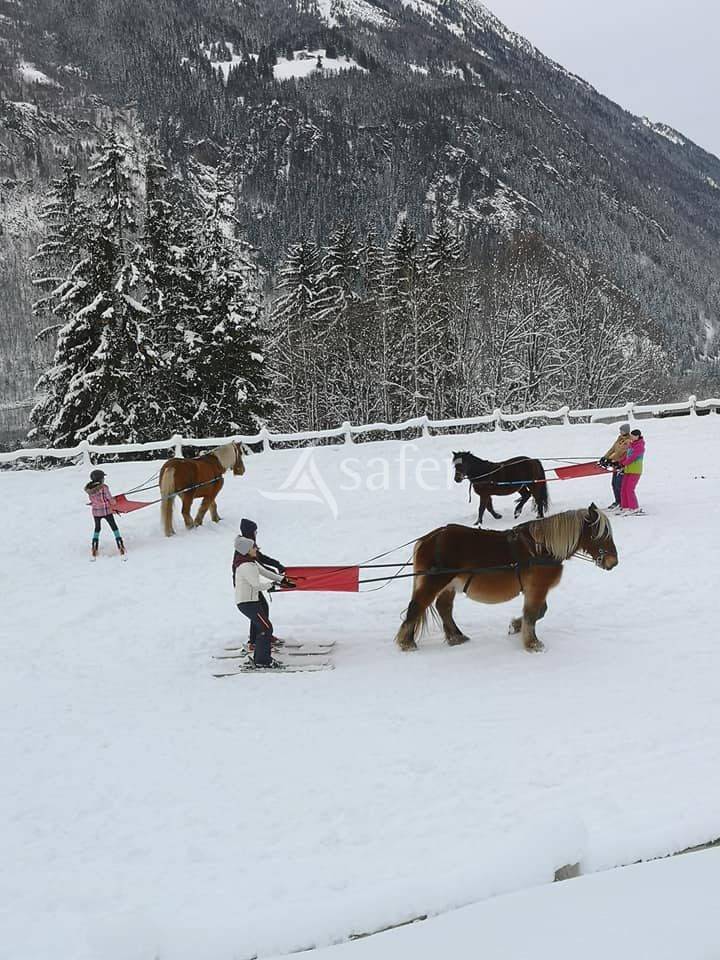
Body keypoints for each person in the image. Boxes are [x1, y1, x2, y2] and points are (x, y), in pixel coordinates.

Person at [234, 535, 294, 668]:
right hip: (247, 603)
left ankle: (260, 658)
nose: (256, 548)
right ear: (246, 550)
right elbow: (256, 585)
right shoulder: (245, 566)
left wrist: (282, 580)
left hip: (252, 601)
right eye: (253, 547)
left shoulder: (251, 562)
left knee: (264, 627)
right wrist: (272, 585)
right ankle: (262, 661)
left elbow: (266, 572)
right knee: (266, 628)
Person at [232, 518, 287, 651]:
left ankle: (261, 637)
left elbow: (260, 560)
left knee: (262, 609)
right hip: (247, 585)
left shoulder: (247, 543)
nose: (256, 533)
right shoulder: (245, 547)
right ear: (250, 532)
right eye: (255, 531)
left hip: (251, 583)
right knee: (257, 612)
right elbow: (258, 564)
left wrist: (278, 569)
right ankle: (256, 640)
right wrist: (274, 577)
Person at [85, 469, 126, 560]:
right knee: (114, 527)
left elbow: (94, 500)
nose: (104, 479)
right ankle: (120, 545)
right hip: (106, 511)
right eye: (103, 478)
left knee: (97, 528)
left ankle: (94, 547)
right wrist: (114, 502)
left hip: (96, 512)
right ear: (100, 479)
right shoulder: (104, 488)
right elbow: (110, 499)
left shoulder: (90, 489)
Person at [599, 423, 632, 511]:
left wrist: (610, 459)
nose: (620, 432)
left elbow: (620, 452)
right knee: (614, 483)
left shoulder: (628, 441)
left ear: (626, 431)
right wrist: (605, 457)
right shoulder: (619, 439)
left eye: (621, 430)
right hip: (615, 464)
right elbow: (612, 449)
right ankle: (617, 501)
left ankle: (622, 502)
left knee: (619, 484)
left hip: (621, 465)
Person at [618, 429, 645, 515]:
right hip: (628, 469)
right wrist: (620, 462)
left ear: (637, 436)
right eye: (631, 435)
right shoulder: (631, 444)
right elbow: (627, 456)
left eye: (633, 436)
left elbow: (632, 457)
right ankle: (625, 507)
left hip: (635, 470)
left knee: (630, 489)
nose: (631, 437)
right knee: (623, 488)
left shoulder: (640, 446)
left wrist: (624, 464)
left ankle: (634, 508)